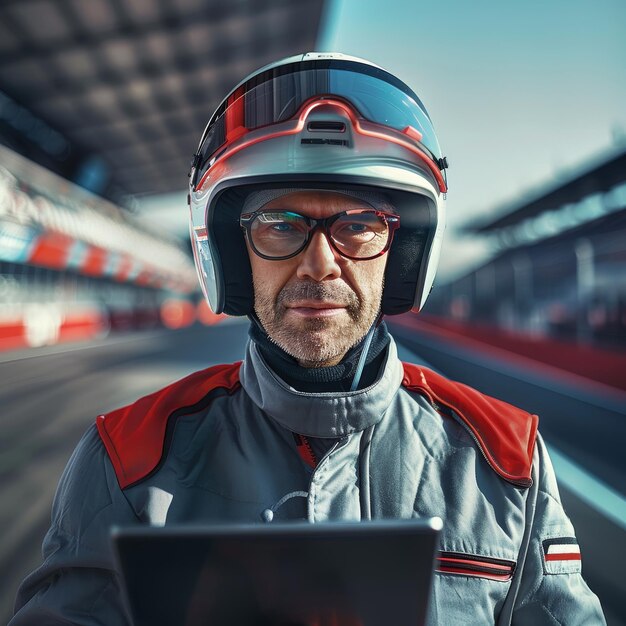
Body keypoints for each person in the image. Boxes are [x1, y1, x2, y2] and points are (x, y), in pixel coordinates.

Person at [12, 52, 604, 625]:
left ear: (402, 254)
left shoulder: (508, 459)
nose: (319, 265)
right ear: (232, 253)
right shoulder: (123, 457)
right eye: (280, 225)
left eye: (358, 226)